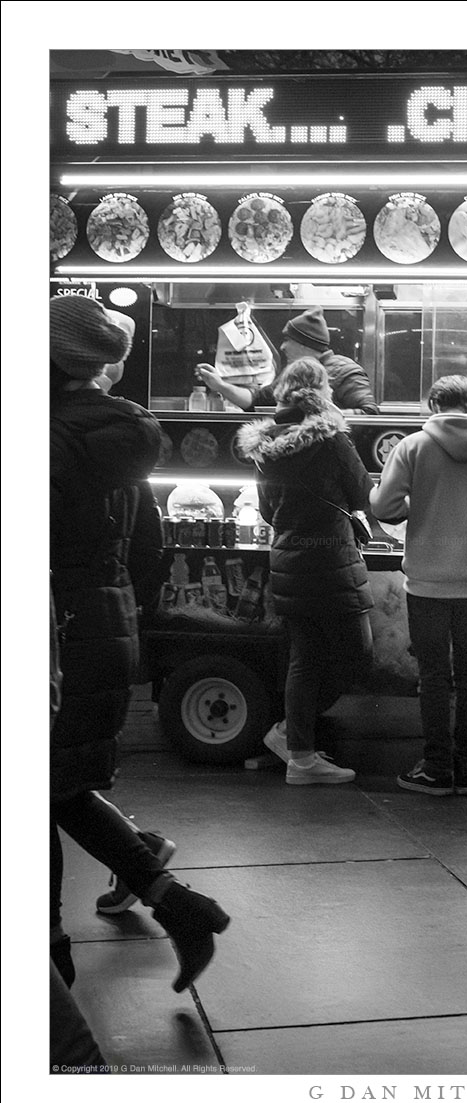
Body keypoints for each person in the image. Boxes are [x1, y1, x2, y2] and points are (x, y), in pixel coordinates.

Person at [50, 295, 230, 993]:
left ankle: (53, 963)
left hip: (55, 638)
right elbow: (149, 550)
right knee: (57, 790)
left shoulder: (45, 437)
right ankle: (178, 905)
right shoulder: (122, 437)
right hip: (102, 626)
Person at [369, 375, 467, 796]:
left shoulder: (413, 447)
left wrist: (416, 504)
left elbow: (383, 506)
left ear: (432, 404)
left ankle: (437, 768)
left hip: (427, 580)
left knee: (435, 676)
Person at [237, 358, 374, 784]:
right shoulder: (330, 439)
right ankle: (296, 742)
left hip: (288, 557)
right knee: (357, 650)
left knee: (305, 657)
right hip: (330, 558)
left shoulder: (265, 445)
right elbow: (362, 493)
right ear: (322, 390)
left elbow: (265, 511)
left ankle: (298, 747)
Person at [198, 306, 380, 415]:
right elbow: (257, 400)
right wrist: (221, 385)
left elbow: (369, 413)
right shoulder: (292, 376)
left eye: (288, 341)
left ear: (303, 344)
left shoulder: (345, 371)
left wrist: (317, 415)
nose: (283, 347)